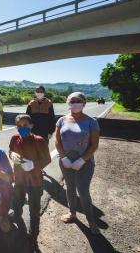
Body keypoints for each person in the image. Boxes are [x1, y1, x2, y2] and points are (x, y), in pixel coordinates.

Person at [55, 92, 101, 234]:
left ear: (84, 103)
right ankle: (72, 213)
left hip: (85, 163)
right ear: (68, 103)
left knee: (83, 190)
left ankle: (91, 221)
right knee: (69, 188)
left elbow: (94, 145)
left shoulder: (91, 122)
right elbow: (57, 140)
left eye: (78, 101)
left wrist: (82, 160)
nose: (75, 103)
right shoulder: (62, 120)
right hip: (66, 161)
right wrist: (63, 158)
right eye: (72, 101)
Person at [9, 114, 51, 246]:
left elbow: (47, 159)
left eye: (25, 125)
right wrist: (12, 154)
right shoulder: (15, 138)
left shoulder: (39, 140)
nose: (22, 128)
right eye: (19, 126)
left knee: (34, 208)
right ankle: (16, 215)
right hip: (19, 179)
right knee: (17, 201)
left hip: (35, 181)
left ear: (31, 126)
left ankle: (34, 233)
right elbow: (10, 150)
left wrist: (34, 165)